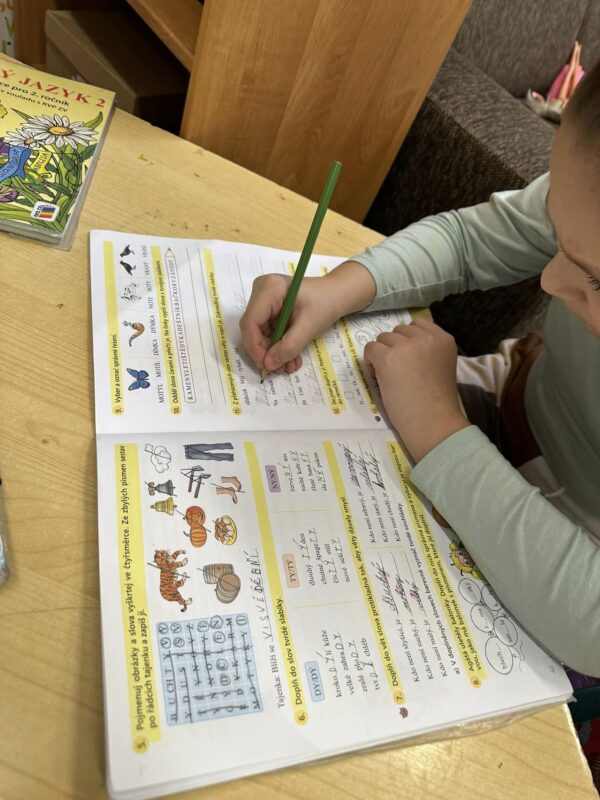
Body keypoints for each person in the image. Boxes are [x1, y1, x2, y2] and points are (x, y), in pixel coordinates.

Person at [240, 59, 600, 679]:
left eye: (594, 279)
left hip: (566, 555)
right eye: (559, 238)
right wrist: (338, 288)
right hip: (512, 397)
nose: (549, 281)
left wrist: (437, 425)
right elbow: (469, 241)